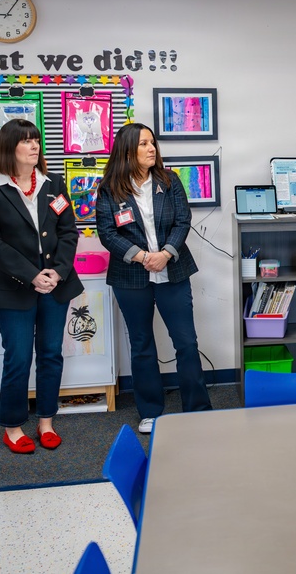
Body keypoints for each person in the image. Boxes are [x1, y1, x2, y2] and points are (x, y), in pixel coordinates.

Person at [0, 119, 83, 454]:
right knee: (18, 357)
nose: (34, 146)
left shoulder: (54, 184)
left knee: (50, 354)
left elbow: (68, 233)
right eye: (25, 141)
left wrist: (57, 272)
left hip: (55, 284)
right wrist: (31, 274)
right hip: (13, 286)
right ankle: (13, 426)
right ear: (9, 147)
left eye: (36, 140)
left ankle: (46, 421)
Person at [96, 123, 212, 434]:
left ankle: (198, 409)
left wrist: (166, 252)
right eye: (145, 144)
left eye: (153, 143)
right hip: (130, 276)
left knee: (186, 342)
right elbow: (107, 232)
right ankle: (150, 412)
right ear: (127, 150)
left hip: (172, 270)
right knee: (142, 343)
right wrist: (141, 255)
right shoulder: (109, 187)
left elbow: (183, 220)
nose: (152, 149)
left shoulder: (168, 180)